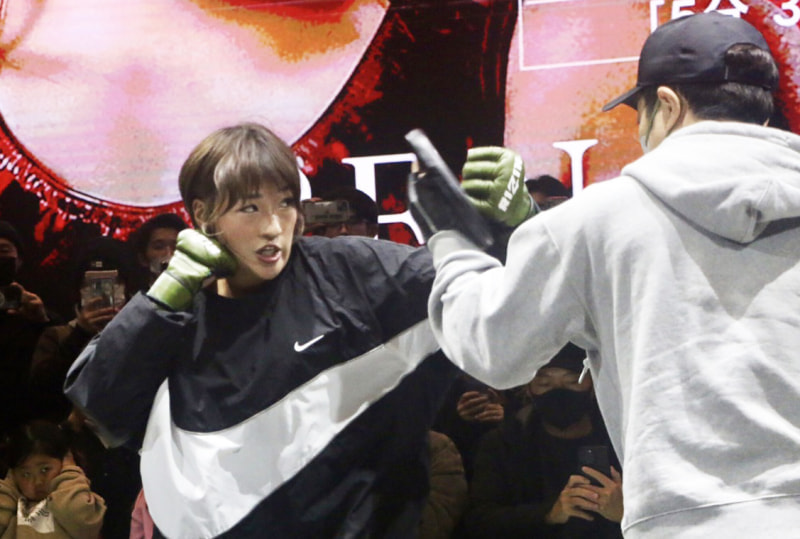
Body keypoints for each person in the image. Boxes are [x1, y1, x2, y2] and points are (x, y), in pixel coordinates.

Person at [420, 12, 800, 537]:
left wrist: (454, 241)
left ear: (667, 105)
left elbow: (493, 349)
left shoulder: (594, 221)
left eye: (640, 114)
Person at [64, 122, 457, 538]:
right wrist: (163, 299)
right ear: (203, 213)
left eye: (285, 203)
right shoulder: (173, 310)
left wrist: (493, 235)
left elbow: (463, 284)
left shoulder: (348, 269)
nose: (272, 226)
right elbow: (100, 405)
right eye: (249, 208)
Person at [465, 344, 622, 538]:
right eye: (545, 384)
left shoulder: (621, 440)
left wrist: (625, 512)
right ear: (529, 388)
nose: (559, 392)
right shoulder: (504, 444)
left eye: (573, 381)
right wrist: (549, 514)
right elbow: (480, 522)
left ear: (593, 383)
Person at [0, 419, 106, 538]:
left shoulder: (78, 499)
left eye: (45, 469)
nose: (38, 482)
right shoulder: (13, 506)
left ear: (65, 462)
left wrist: (70, 472)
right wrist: (9, 485)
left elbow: (83, 524)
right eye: (26, 474)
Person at [0, 221, 56, 439]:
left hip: (24, 428)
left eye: (4, 250)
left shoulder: (34, 308)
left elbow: (54, 369)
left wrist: (41, 321)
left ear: (19, 259)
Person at [128, 213, 187, 291]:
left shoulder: (199, 295)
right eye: (159, 247)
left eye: (176, 247)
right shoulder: (138, 299)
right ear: (143, 259)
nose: (169, 253)